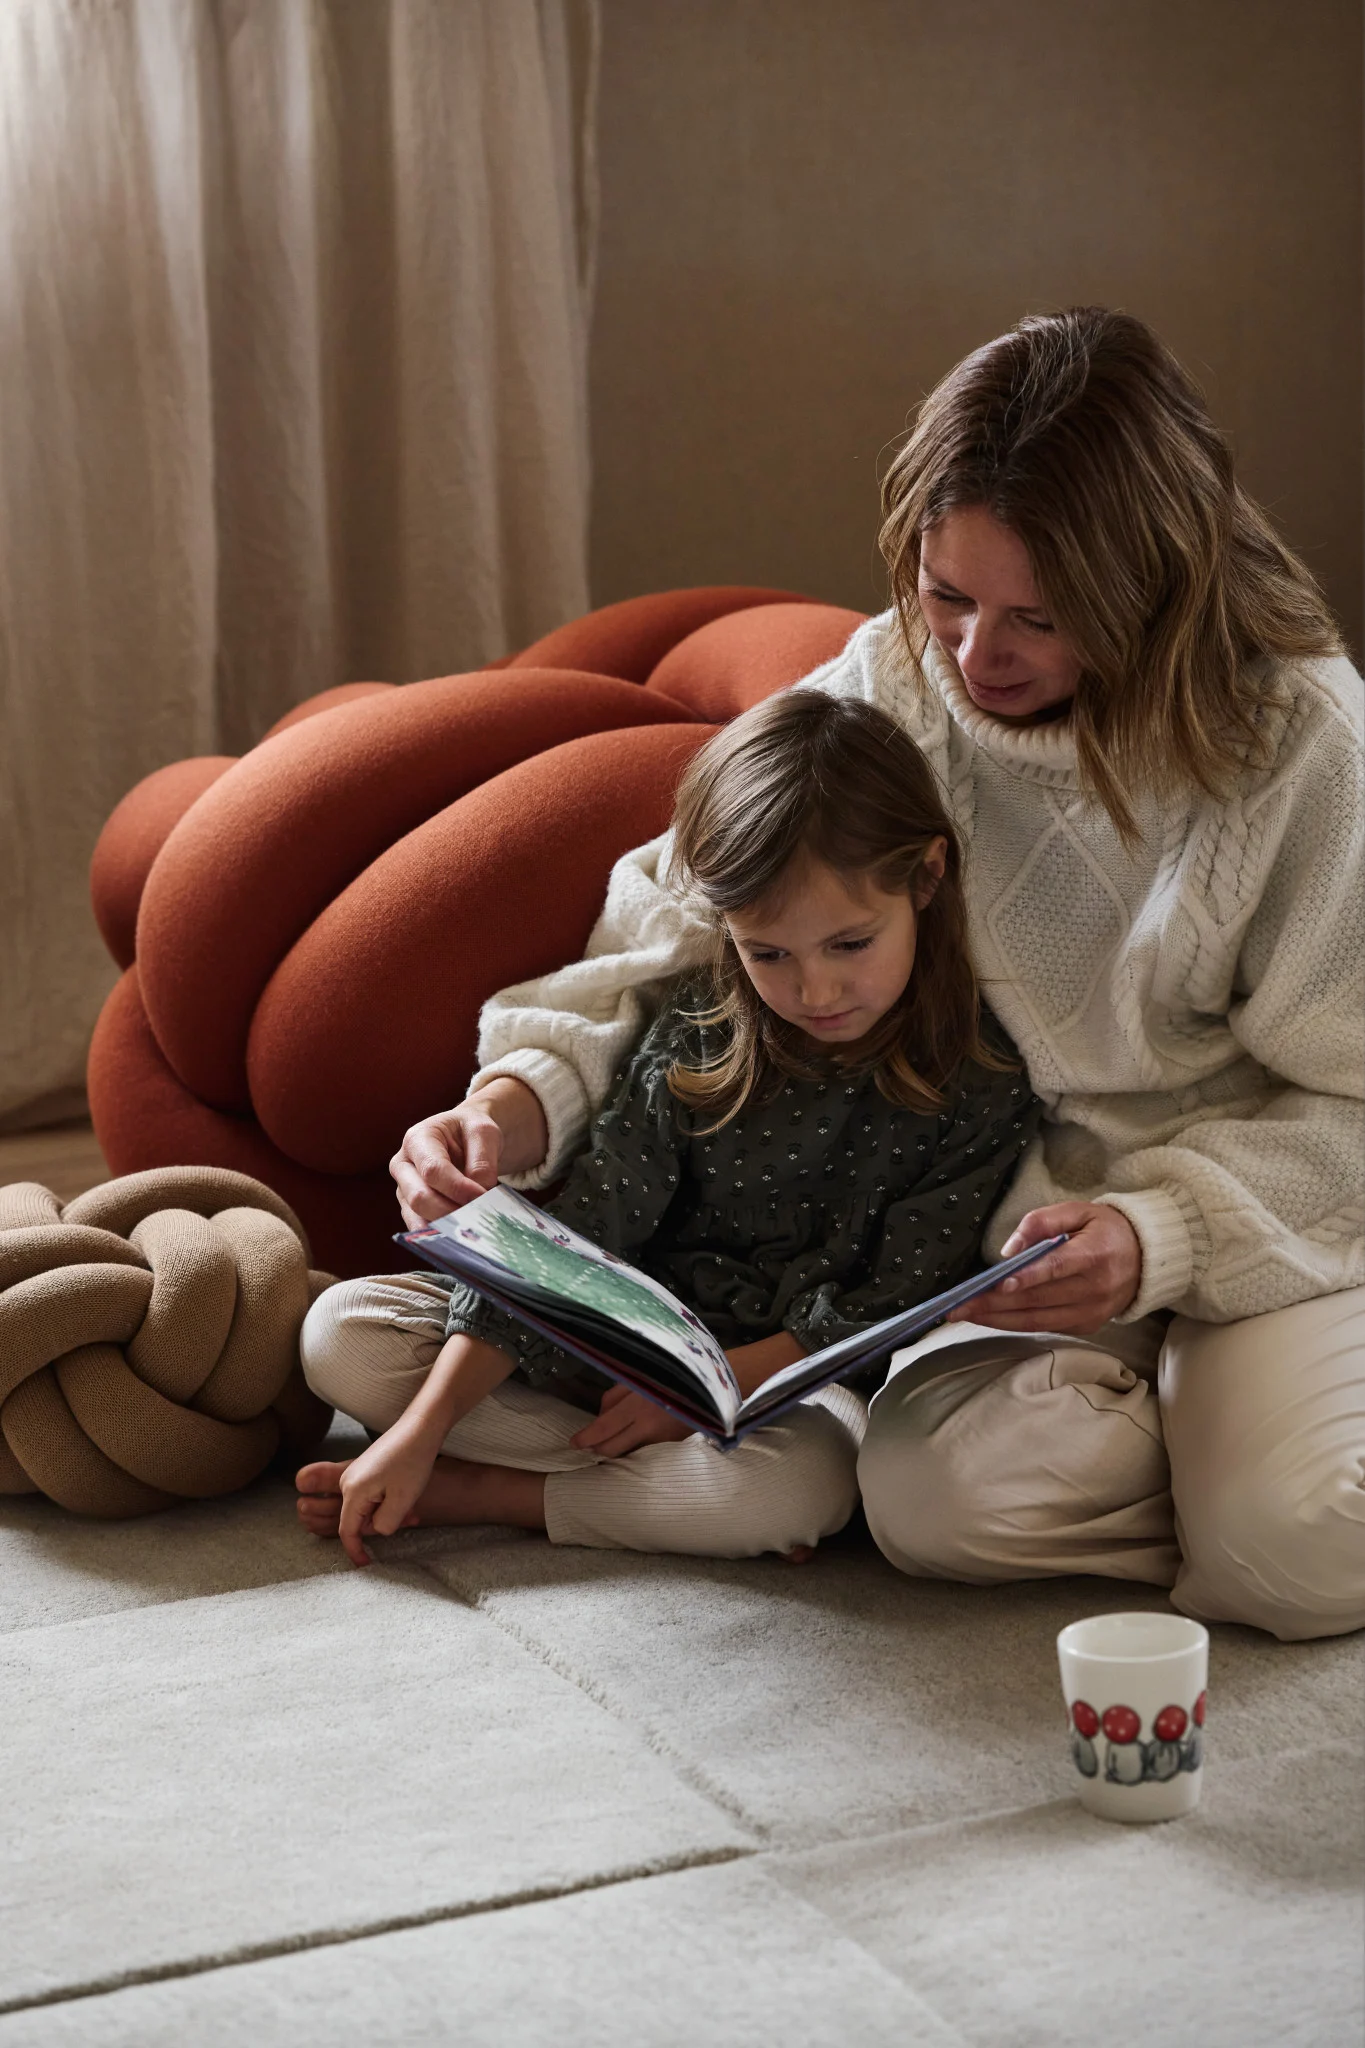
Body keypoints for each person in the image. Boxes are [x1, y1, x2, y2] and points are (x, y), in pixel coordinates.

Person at [389, 308, 1363, 1642]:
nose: (975, 659)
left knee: (1292, 1556)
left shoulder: (1300, 744)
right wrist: (515, 1099)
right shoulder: (895, 676)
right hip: (988, 1253)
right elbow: (679, 921)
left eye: (1038, 617)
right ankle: (1188, 1465)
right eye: (947, 595)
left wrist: (1162, 1240)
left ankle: (1240, 1472)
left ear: (1155, 581)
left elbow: (1353, 1108)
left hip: (1251, 1222)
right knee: (929, 1511)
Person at [296, 693, 1041, 1565]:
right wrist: (423, 1427)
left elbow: (893, 1303)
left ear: (925, 878)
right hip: (607, 1360)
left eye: (849, 943)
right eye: (769, 954)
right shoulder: (699, 1028)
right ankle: (632, 1491)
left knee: (805, 1487)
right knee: (340, 1331)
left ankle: (504, 1494)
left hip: (782, 1394)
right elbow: (583, 1232)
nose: (815, 992)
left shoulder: (979, 1080)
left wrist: (706, 1393)